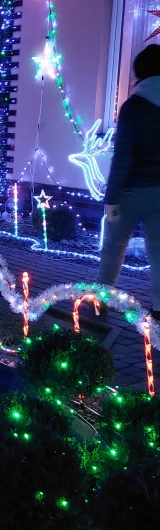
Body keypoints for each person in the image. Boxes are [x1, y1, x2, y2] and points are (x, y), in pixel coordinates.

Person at [95, 43, 160, 321]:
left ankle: (102, 301)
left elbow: (123, 156)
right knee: (159, 253)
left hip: (131, 191)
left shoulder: (134, 107)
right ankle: (159, 310)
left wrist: (111, 198)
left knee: (114, 246)